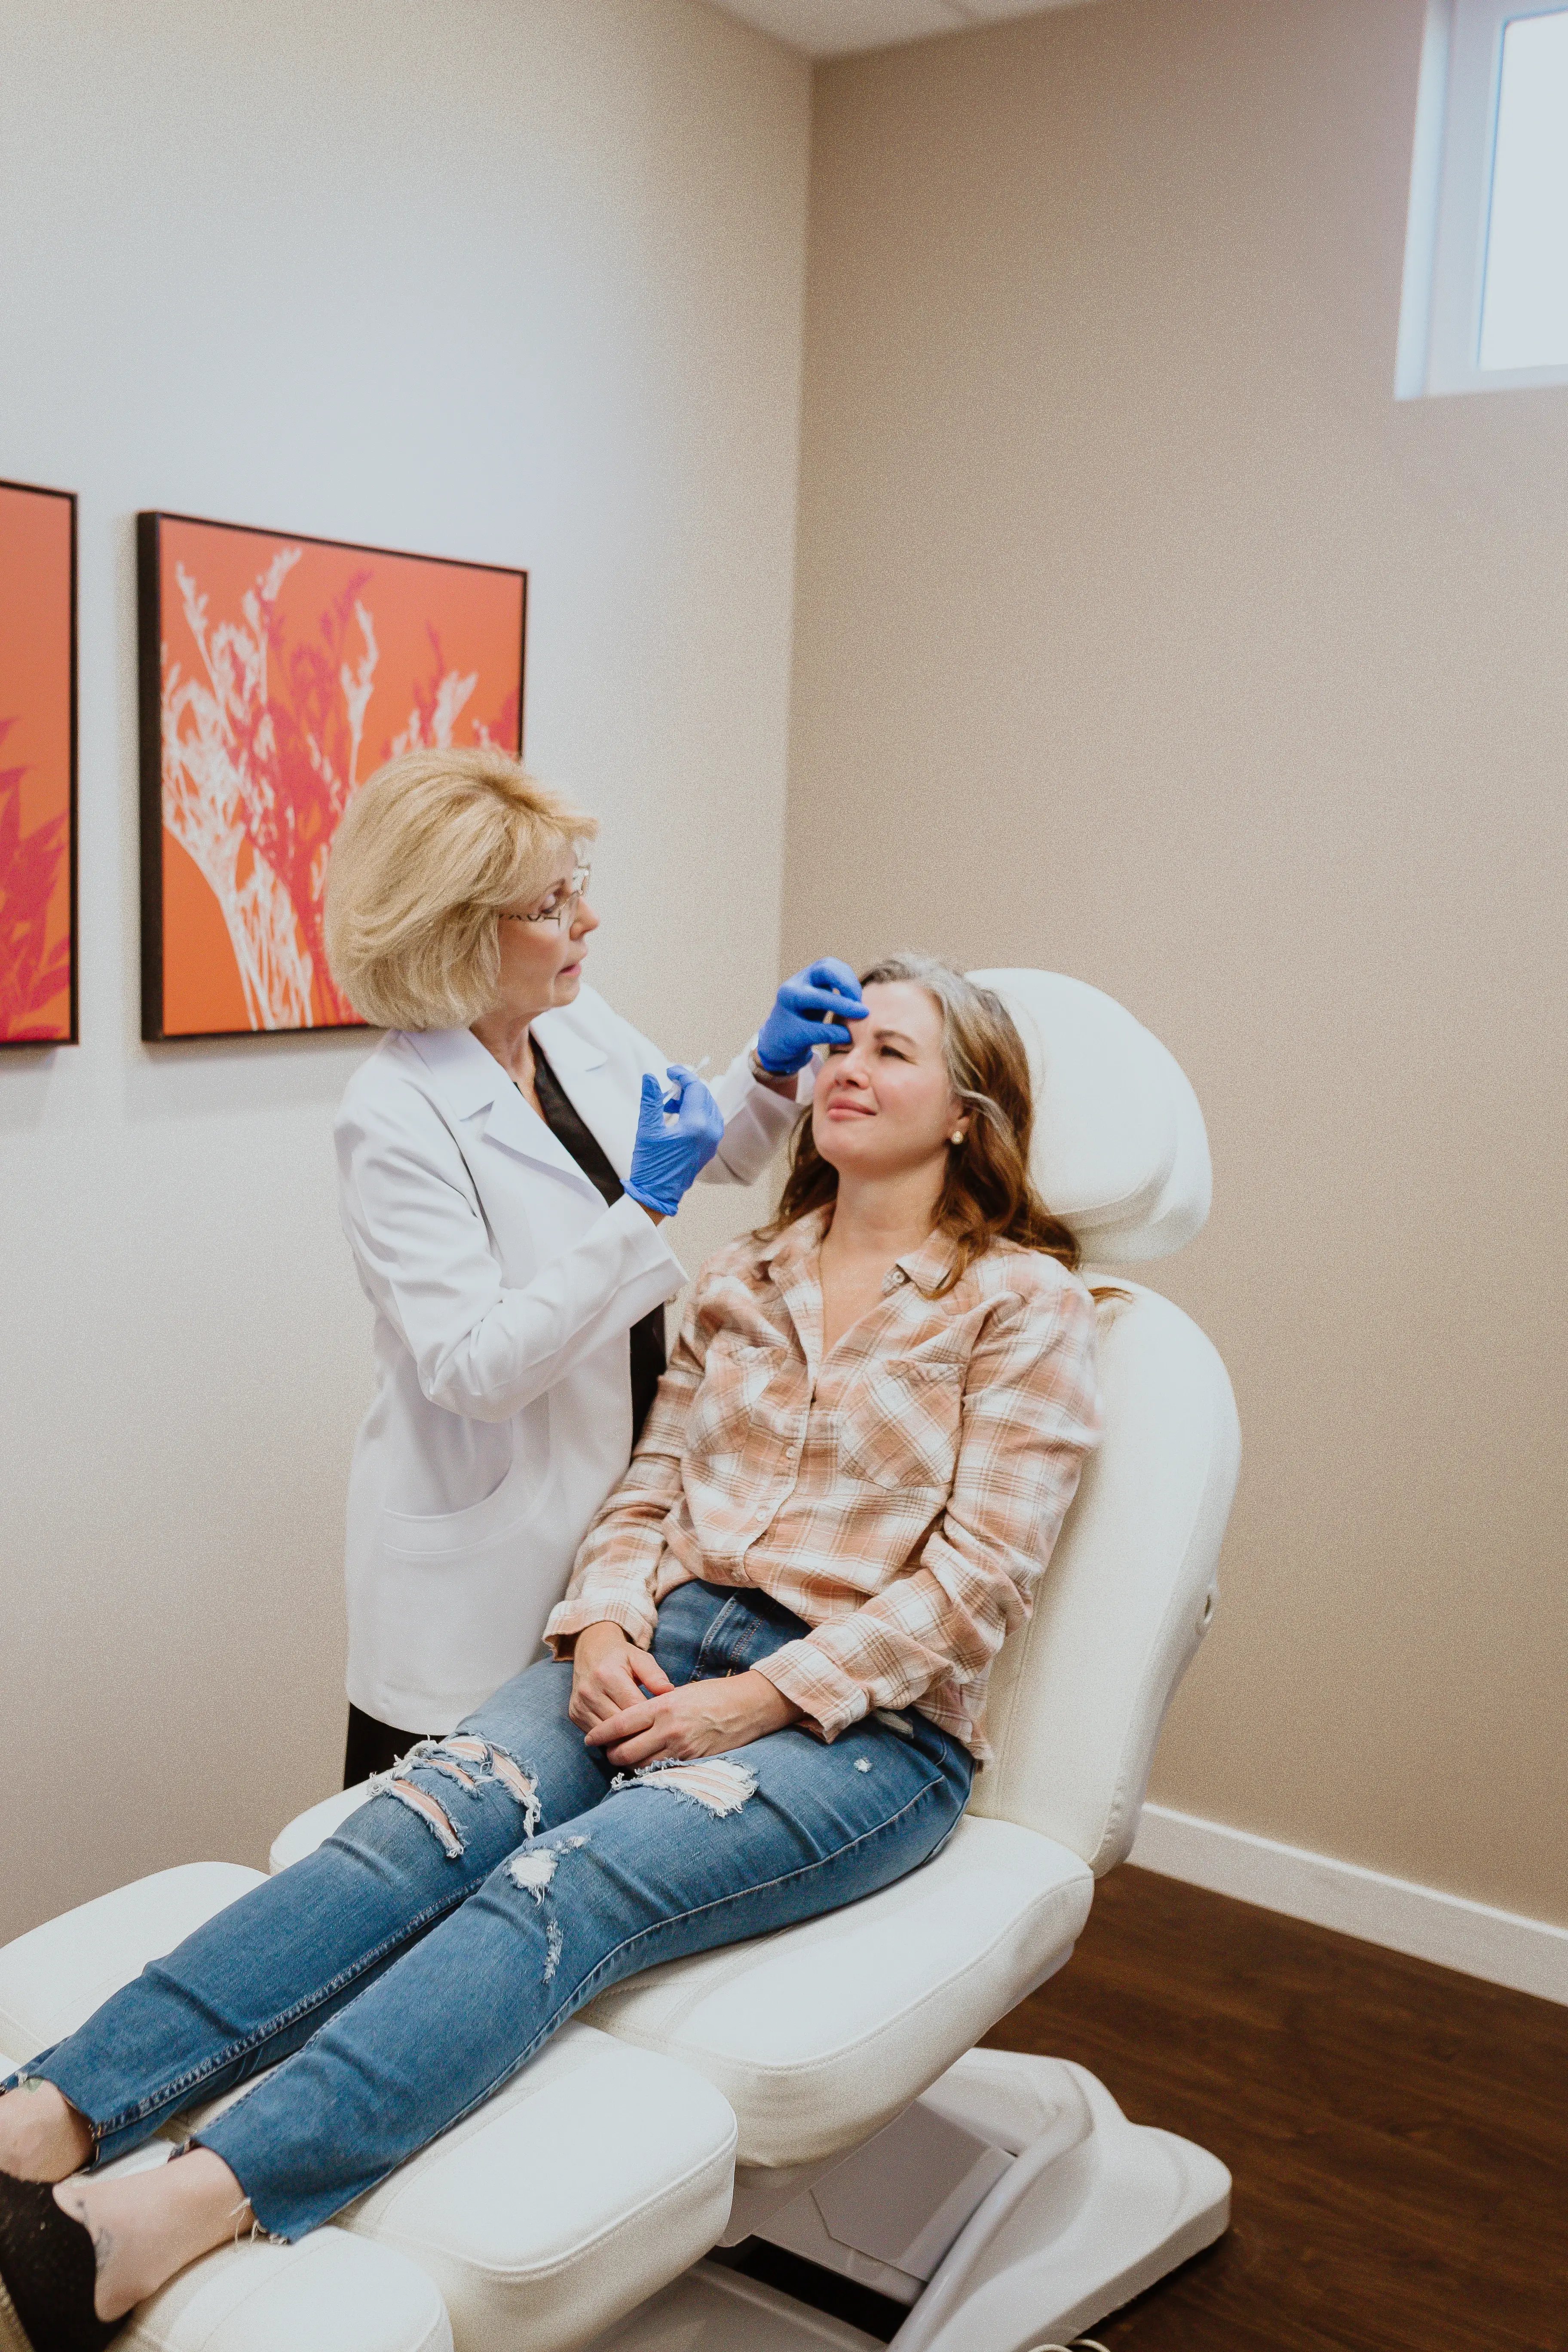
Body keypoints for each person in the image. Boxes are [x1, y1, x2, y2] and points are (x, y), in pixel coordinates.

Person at [0, 956, 1102, 2350]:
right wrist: (597, 1623)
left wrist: (751, 1700)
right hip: (661, 1636)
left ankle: (200, 2198)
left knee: (555, 1888)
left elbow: (977, 1584)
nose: (843, 1068)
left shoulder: (1020, 1305)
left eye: (890, 1050)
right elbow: (646, 1489)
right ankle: (56, 2109)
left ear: (965, 1111)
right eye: (837, 1043)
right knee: (420, 1823)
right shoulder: (740, 1275)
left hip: (862, 1722)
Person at [320, 746, 869, 1781]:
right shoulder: (391, 1116)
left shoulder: (572, 1029)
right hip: (477, 1559)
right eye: (549, 904)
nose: (586, 920)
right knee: (433, 1836)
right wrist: (643, 1206)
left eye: (579, 888)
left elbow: (715, 1143)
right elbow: (477, 1372)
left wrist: (766, 1065)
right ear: (454, 934)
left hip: (614, 1530)